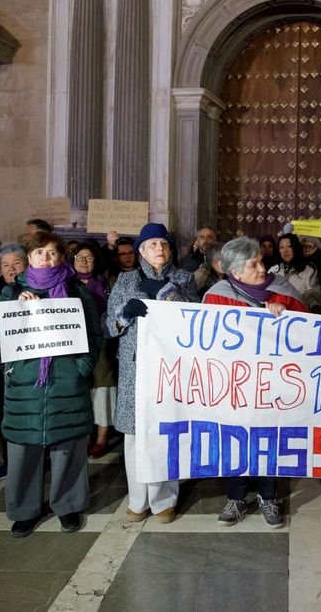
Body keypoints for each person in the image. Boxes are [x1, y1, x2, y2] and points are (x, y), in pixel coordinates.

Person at [0, 231, 103, 537]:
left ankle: (68, 506)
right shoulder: (11, 292)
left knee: (69, 447)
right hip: (25, 383)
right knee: (23, 450)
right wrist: (16, 313)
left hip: (67, 381)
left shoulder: (77, 292)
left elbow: (94, 335)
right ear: (30, 258)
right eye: (39, 253)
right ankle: (24, 510)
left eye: (52, 253)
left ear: (61, 257)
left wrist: (82, 367)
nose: (46, 258)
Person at [202, 237, 309, 528]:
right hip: (235, 386)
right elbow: (206, 341)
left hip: (274, 385)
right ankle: (236, 498)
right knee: (236, 440)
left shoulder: (283, 291)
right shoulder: (217, 295)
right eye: (254, 265)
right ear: (235, 272)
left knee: (267, 440)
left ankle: (268, 497)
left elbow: (309, 332)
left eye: (261, 260)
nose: (263, 268)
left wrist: (285, 317)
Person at [104, 223, 199, 523]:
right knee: (134, 436)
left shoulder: (183, 278)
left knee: (165, 433)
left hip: (169, 368)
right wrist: (125, 315)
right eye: (153, 244)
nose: (159, 249)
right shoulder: (126, 279)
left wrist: (169, 293)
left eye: (164, 244)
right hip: (134, 368)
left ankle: (163, 500)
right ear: (141, 250)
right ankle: (137, 499)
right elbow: (109, 326)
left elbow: (196, 320)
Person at [0, 245, 29, 481]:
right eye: (5, 265)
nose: (10, 270)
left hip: (27, 365)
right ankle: (9, 461)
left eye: (16, 264)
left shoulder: (37, 289)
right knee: (2, 416)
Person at [71, 241, 116, 459]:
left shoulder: (105, 281)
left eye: (89, 258)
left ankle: (101, 437)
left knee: (102, 387)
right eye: (80, 257)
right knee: (83, 388)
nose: (84, 262)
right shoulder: (66, 283)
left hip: (102, 342)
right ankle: (85, 436)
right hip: (75, 343)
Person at [270, 233, 321, 312]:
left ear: (295, 247)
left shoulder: (308, 269)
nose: (285, 250)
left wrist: (315, 307)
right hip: (276, 313)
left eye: (289, 246)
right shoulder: (274, 270)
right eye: (281, 247)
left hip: (297, 314)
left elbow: (312, 293)